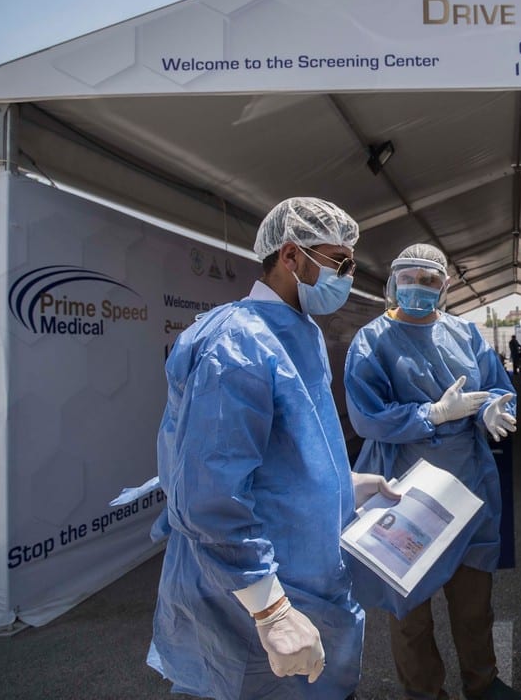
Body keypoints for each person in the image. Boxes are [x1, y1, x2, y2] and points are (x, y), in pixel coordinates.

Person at [148, 197, 399, 700]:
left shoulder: (299, 333)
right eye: (340, 263)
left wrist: (345, 485)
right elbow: (210, 496)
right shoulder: (236, 345)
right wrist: (272, 611)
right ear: (290, 256)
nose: (348, 277)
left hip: (310, 584)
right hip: (248, 603)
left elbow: (287, 455)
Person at [344, 243, 521, 700]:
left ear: (445, 286)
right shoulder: (372, 340)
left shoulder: (465, 334)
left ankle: (483, 685)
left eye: (429, 281)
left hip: (466, 485)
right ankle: (424, 693)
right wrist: (432, 414)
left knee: (474, 605)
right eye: (409, 279)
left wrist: (491, 410)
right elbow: (366, 416)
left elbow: (498, 389)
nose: (418, 288)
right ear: (393, 282)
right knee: (409, 615)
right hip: (403, 488)